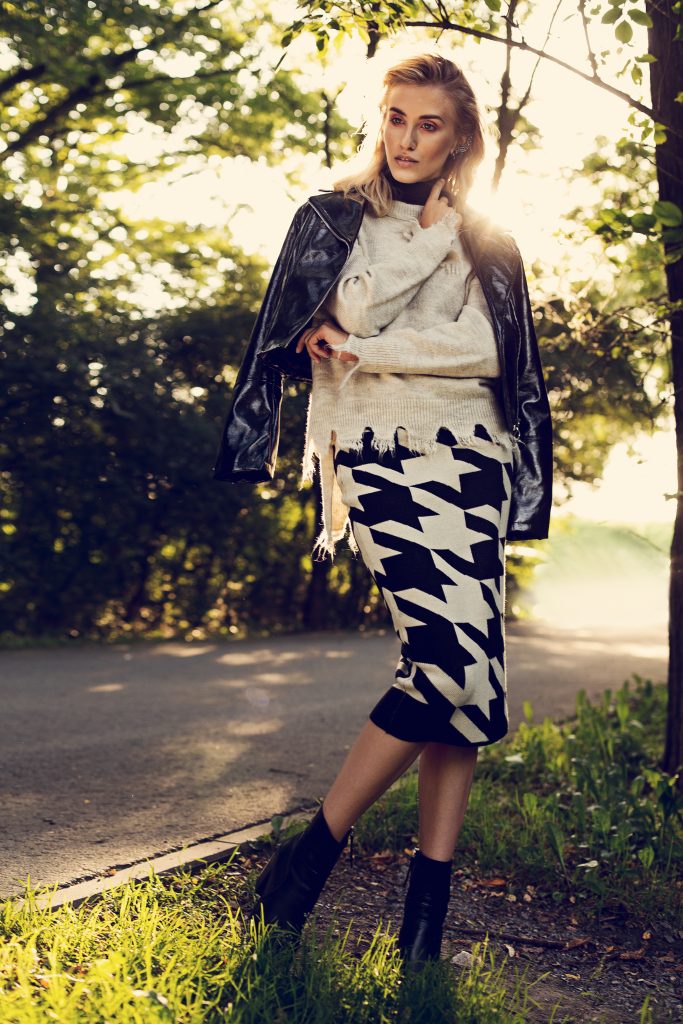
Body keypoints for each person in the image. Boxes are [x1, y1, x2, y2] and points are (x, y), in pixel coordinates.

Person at [212, 53, 553, 965]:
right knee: (444, 664)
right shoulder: (332, 219)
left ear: (459, 138)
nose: (406, 139)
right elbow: (332, 318)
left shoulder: (487, 239)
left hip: (475, 460)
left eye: (427, 124)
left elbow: (487, 351)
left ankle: (422, 921)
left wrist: (372, 347)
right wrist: (374, 308)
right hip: (378, 454)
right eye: (396, 118)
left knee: (470, 681)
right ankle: (310, 857)